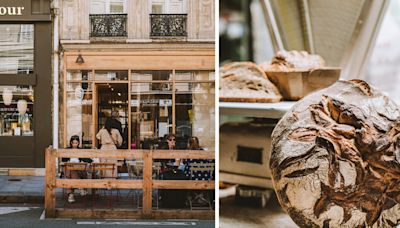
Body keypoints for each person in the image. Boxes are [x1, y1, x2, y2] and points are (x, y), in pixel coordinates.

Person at [63, 135, 90, 203]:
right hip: (70, 168)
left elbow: (87, 159)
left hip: (79, 169)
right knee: (71, 170)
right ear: (71, 143)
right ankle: (80, 187)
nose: (75, 144)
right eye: (73, 143)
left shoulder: (80, 150)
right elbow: (63, 159)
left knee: (71, 173)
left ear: (78, 143)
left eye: (76, 143)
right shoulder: (67, 150)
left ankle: (71, 195)